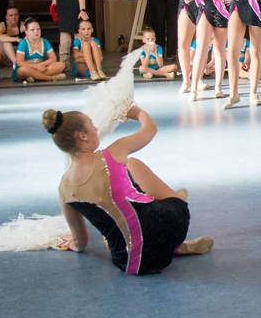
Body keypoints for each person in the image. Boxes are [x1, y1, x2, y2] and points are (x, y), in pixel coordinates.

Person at [45, 105, 214, 275]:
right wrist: (137, 113)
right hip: (173, 225)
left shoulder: (64, 189)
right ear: (82, 136)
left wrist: (72, 244)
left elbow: (80, 242)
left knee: (109, 230)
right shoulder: (113, 152)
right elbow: (150, 129)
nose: (96, 129)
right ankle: (170, 223)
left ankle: (163, 244)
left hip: (130, 263)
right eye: (92, 126)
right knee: (132, 163)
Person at [188, 0, 233, 100]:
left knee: (219, 51)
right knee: (201, 49)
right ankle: (193, 88)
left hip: (222, 13)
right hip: (205, 11)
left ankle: (218, 87)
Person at [15, 18, 66, 82]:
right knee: (22, 70)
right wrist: (36, 67)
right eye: (32, 30)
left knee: (61, 65)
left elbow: (53, 59)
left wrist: (41, 65)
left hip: (41, 67)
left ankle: (34, 77)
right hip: (29, 68)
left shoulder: (45, 41)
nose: (36, 31)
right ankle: (50, 78)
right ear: (27, 32)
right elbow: (20, 62)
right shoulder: (23, 43)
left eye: (38, 29)